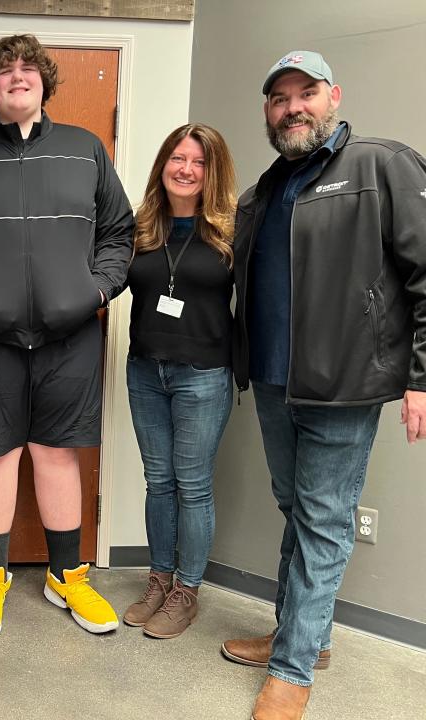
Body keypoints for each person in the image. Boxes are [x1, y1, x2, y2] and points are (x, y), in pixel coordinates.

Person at [222, 51, 426, 720]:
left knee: (323, 519)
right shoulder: (261, 191)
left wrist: (424, 378)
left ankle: (293, 669)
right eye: (279, 98)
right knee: (300, 511)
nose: (292, 108)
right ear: (268, 112)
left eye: (305, 93)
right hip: (277, 381)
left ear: (332, 95)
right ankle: (306, 638)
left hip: (344, 386)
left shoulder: (380, 165)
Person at [0, 34, 134, 637]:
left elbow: (119, 233)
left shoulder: (85, 149)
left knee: (57, 452)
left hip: (70, 336)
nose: (18, 77)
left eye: (29, 69)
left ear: (45, 83)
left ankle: (67, 576)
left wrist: (96, 292)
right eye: (5, 71)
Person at [122, 124, 237, 639]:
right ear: (163, 164)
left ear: (213, 172)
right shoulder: (141, 226)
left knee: (192, 486)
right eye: (177, 158)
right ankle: (159, 579)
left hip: (203, 375)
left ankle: (187, 591)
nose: (186, 169)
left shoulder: (231, 232)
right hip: (145, 369)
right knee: (158, 481)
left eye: (198, 161)